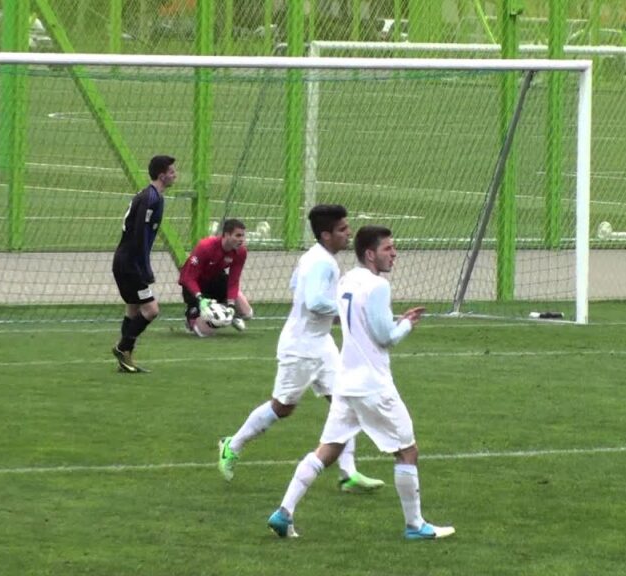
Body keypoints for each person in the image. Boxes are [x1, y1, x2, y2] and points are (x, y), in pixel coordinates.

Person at [266, 225, 454, 540]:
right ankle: (415, 525)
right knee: (407, 451)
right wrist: (406, 324)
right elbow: (385, 337)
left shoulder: (347, 280)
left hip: (345, 382)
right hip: (373, 385)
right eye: (387, 249)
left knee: (327, 450)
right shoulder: (377, 286)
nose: (394, 253)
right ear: (370, 253)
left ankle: (284, 512)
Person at [217, 205, 384, 493]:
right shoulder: (322, 263)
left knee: (346, 401)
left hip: (321, 344)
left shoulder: (317, 258)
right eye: (343, 229)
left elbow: (297, 284)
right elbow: (315, 302)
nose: (349, 234)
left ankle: (349, 472)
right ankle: (233, 444)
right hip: (301, 346)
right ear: (326, 234)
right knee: (282, 407)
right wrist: (349, 308)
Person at [111, 155, 176, 374]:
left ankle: (125, 360)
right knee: (151, 309)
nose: (175, 175)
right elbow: (140, 235)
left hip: (124, 260)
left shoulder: (150, 196)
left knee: (133, 308)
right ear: (162, 175)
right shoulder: (151, 199)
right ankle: (123, 347)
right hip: (130, 263)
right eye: (172, 172)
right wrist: (144, 268)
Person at [178, 219, 253, 337]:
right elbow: (189, 278)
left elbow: (233, 281)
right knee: (204, 332)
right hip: (195, 285)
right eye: (238, 235)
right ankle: (192, 318)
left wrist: (231, 305)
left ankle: (225, 312)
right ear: (226, 235)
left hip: (216, 281)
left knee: (247, 313)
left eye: (243, 236)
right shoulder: (205, 246)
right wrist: (200, 298)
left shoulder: (241, 251)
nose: (241, 239)